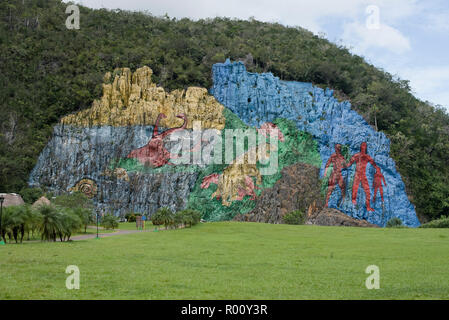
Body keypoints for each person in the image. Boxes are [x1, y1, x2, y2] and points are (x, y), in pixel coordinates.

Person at [347, 142, 376, 212]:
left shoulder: (367, 157)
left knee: (367, 191)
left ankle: (368, 206)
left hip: (363, 175)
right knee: (354, 189)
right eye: (363, 145)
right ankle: (353, 202)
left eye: (365, 146)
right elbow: (349, 164)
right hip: (357, 174)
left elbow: (374, 164)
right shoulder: (356, 155)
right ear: (360, 147)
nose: (364, 147)